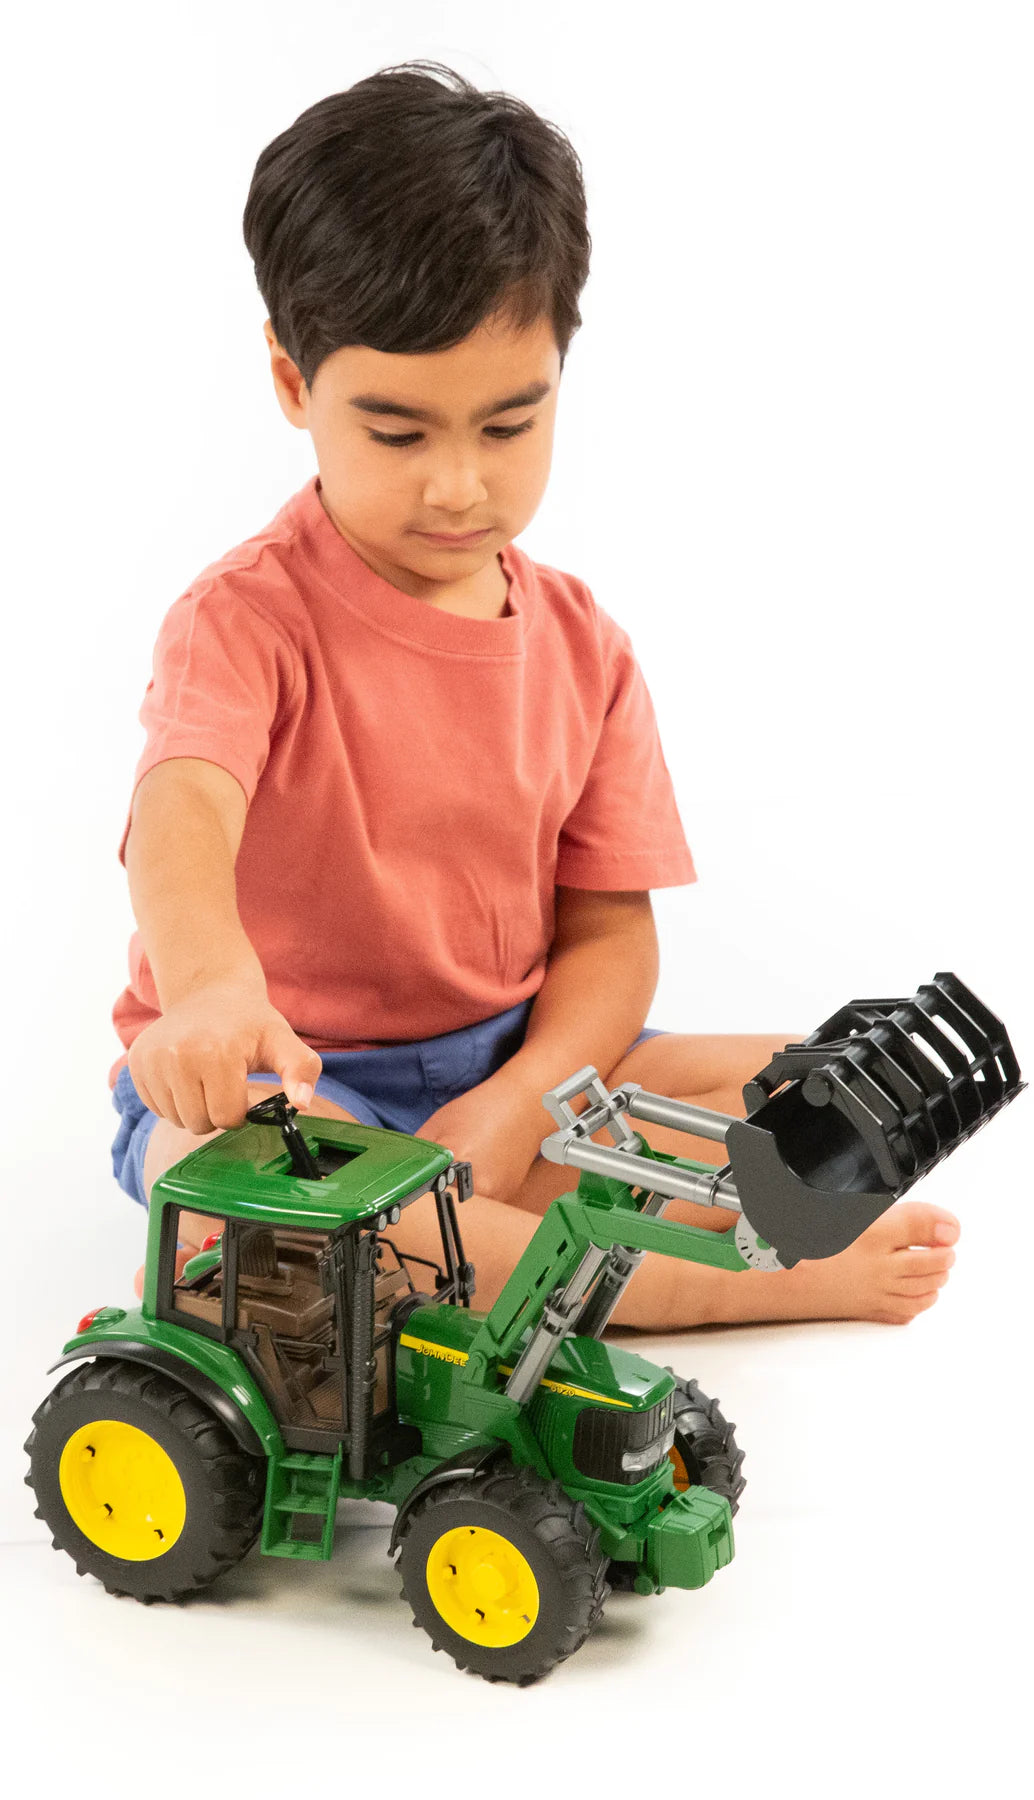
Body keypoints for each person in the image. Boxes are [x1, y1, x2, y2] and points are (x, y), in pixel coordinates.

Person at [110, 61, 958, 1330]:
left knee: (803, 1080)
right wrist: (216, 994)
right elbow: (182, 808)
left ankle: (541, 1235)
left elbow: (610, 941)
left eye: (507, 425)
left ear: (560, 371)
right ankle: (693, 1289)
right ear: (294, 384)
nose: (458, 487)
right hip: (280, 1091)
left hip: (517, 1067)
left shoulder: (584, 649)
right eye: (397, 434)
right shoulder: (245, 618)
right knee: (271, 1196)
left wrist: (512, 1105)